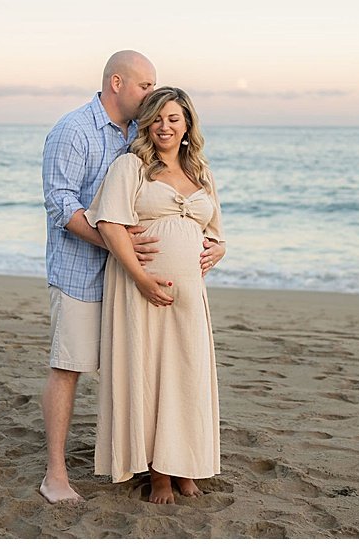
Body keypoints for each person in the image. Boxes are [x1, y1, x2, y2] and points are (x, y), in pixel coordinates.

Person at [39, 52, 226, 504]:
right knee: (70, 366)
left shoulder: (134, 138)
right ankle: (56, 474)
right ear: (117, 82)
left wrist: (217, 246)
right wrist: (124, 251)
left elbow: (202, 219)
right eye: (146, 87)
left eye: (167, 108)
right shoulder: (75, 130)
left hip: (142, 285)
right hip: (85, 271)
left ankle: (166, 461)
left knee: (152, 371)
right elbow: (61, 204)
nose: (152, 99)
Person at [86, 86, 224, 504]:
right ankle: (159, 473)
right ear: (147, 124)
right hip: (141, 292)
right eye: (158, 119)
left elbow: (214, 231)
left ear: (187, 127)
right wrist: (142, 280)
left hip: (189, 298)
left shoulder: (200, 171)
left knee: (187, 376)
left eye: (174, 119)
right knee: (150, 375)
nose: (165, 126)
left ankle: (184, 464)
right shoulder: (131, 166)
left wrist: (219, 248)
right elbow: (109, 226)